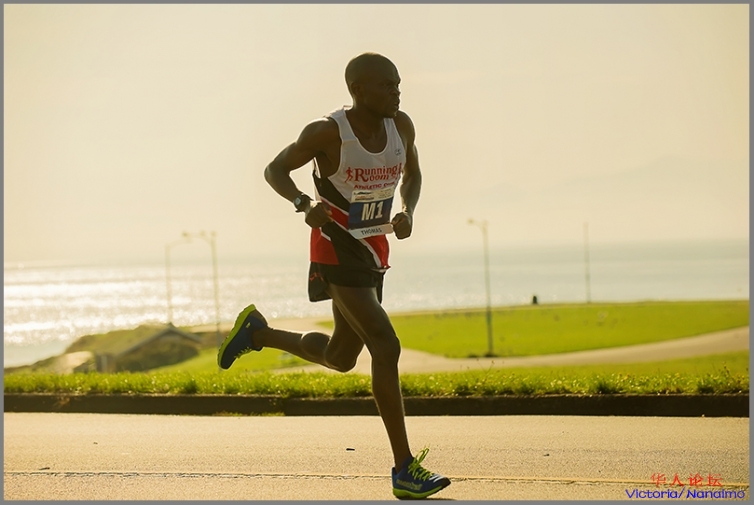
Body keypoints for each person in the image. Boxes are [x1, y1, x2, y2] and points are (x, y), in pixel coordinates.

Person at [217, 52, 450, 500]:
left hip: (373, 250)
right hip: (334, 250)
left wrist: (408, 210)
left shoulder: (402, 127)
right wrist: (304, 204)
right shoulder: (327, 132)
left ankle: (258, 333)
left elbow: (414, 174)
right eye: (387, 85)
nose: (397, 92)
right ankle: (404, 469)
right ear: (358, 90)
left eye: (398, 83)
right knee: (385, 344)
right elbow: (274, 169)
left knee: (341, 357)